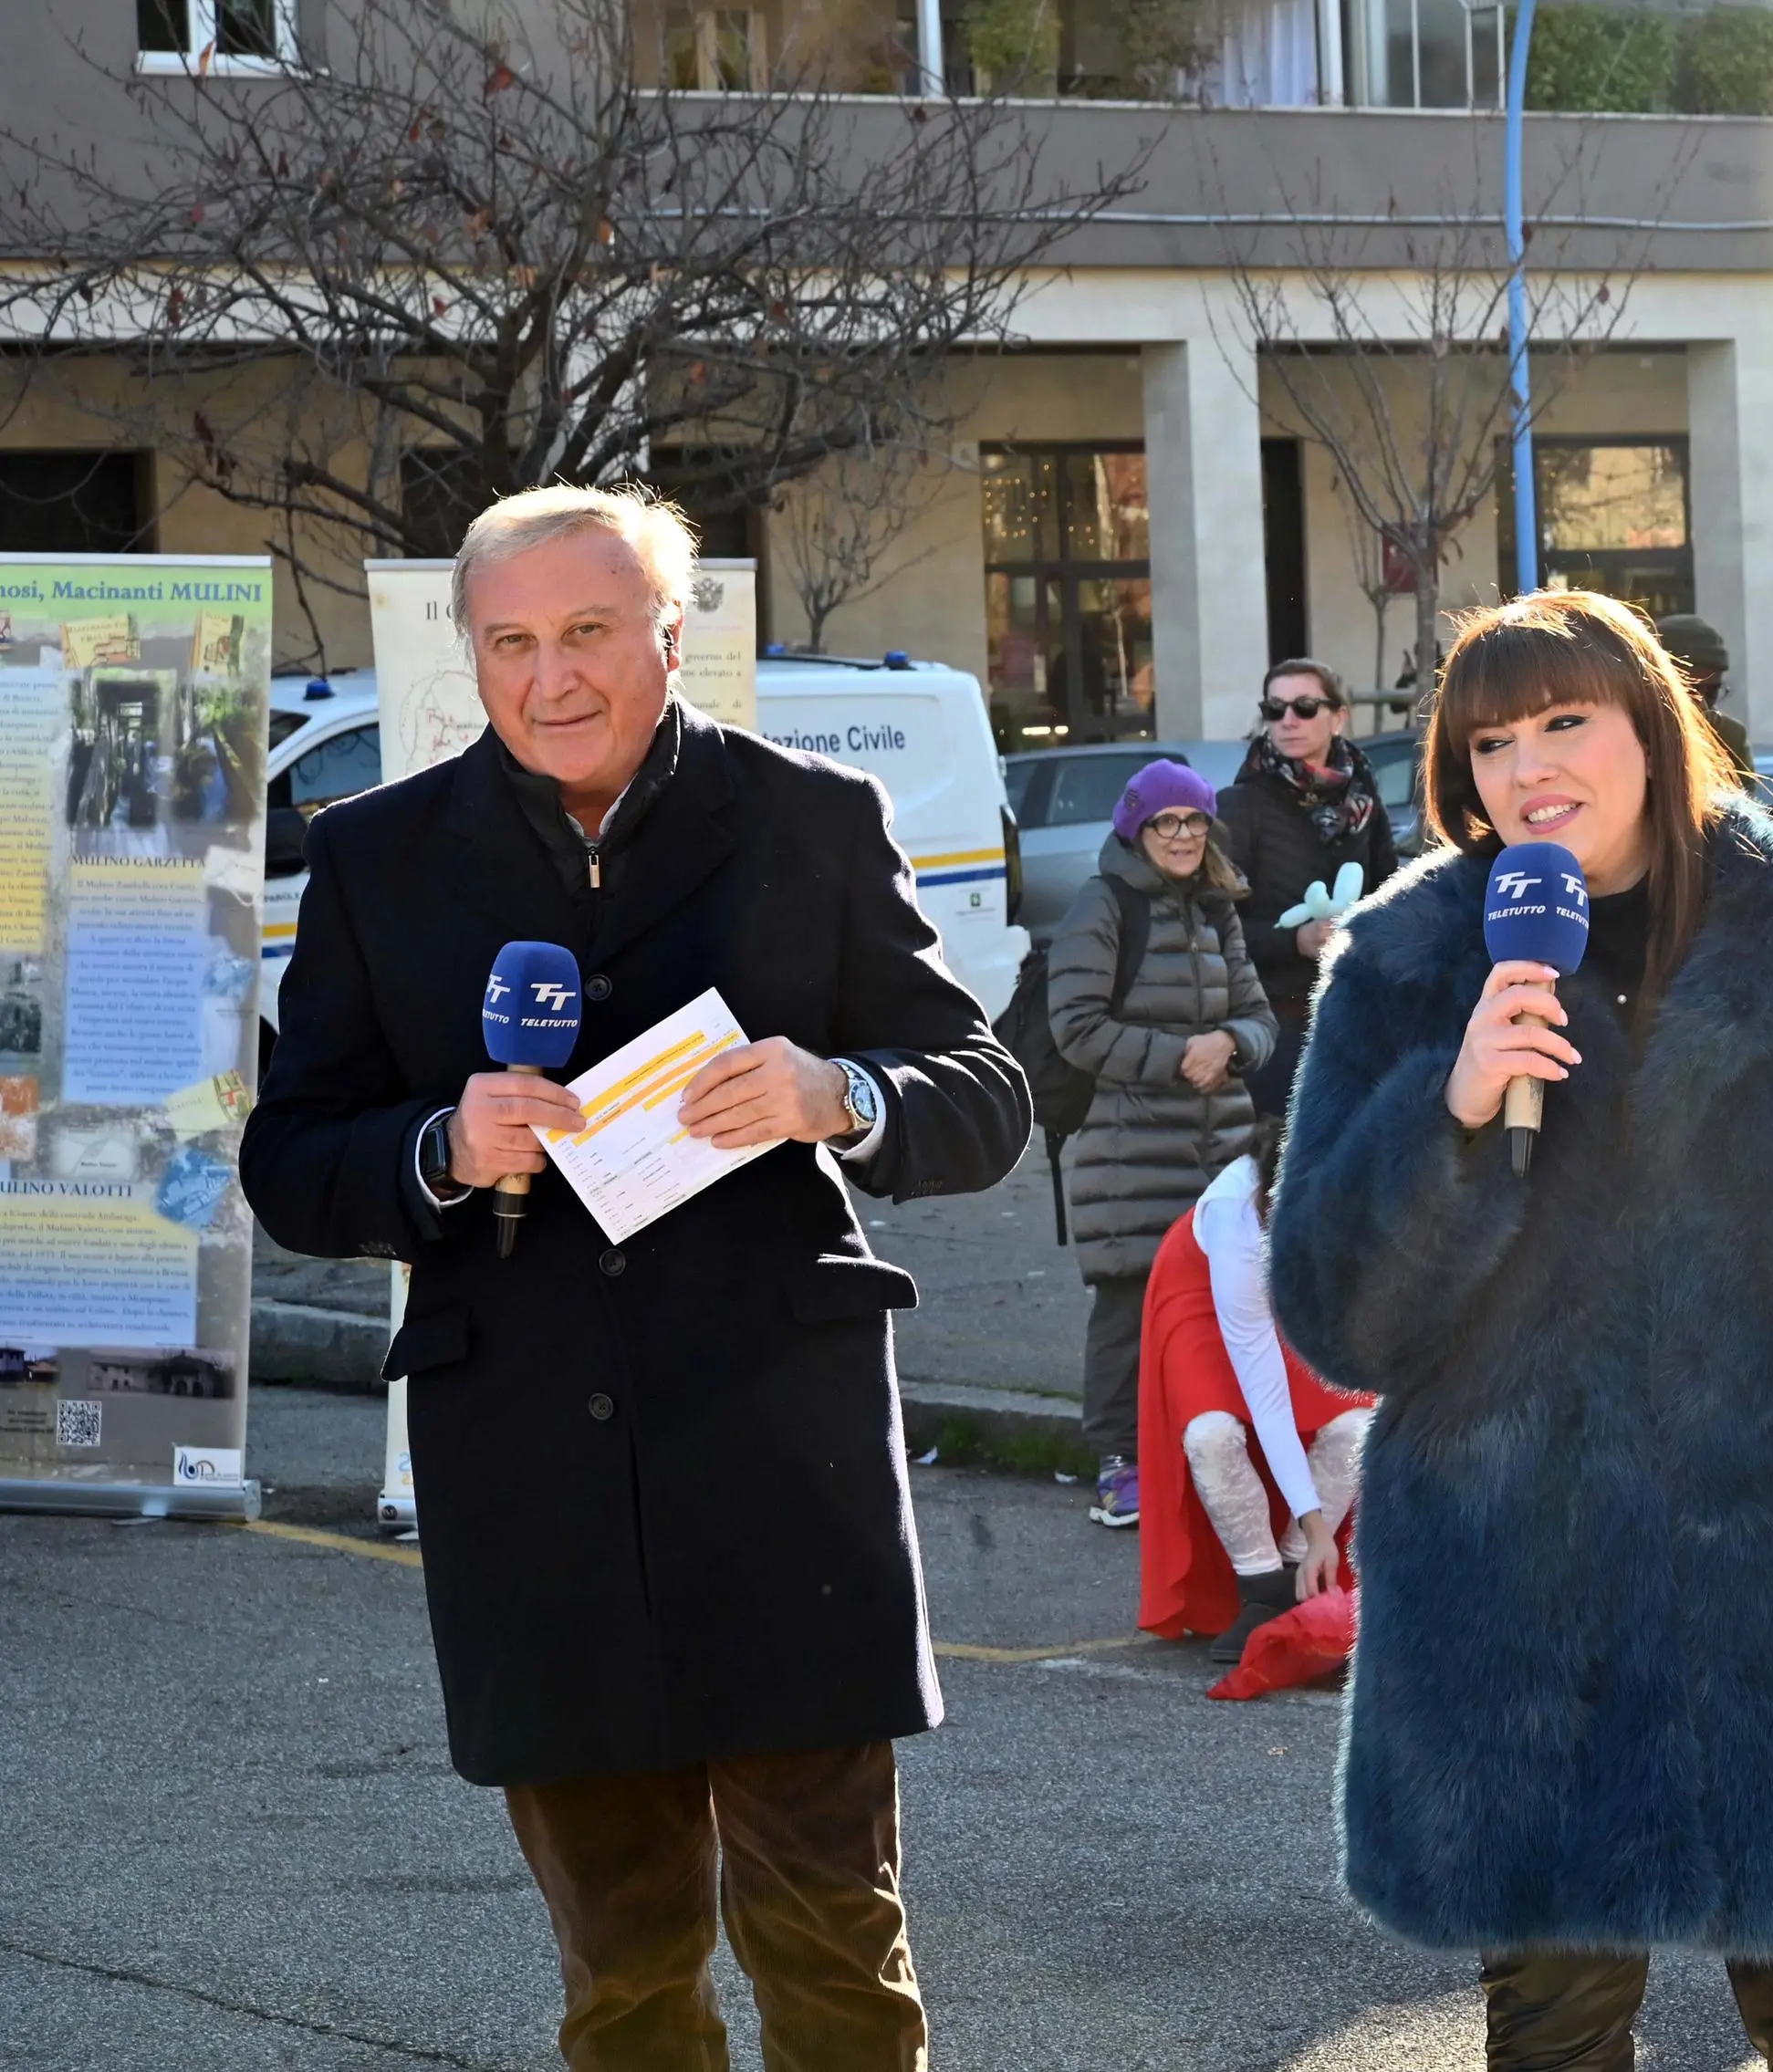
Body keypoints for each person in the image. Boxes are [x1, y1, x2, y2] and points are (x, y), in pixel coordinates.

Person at [241, 484, 1030, 2071]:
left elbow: (985, 1089)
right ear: (471, 655)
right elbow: (291, 1159)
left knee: (834, 1949)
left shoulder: (807, 819)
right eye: (512, 642)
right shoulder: (377, 859)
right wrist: (441, 1143)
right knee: (621, 1975)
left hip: (778, 1466)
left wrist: (840, 1095)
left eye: (590, 632)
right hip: (530, 1478)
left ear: (670, 635)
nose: (553, 679)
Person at [1271, 588, 1773, 2070]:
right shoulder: (1407, 966)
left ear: (1650, 729)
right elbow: (1336, 1313)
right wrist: (1447, 1111)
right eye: (1490, 738)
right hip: (1518, 1609)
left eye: (1565, 720)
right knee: (1551, 2030)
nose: (1527, 765)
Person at [1050, 759, 1276, 1530]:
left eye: (1194, 821)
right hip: (1129, 1148)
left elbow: (1261, 1017)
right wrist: (1181, 1056)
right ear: (1136, 829)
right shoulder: (1103, 904)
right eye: (1165, 823)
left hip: (1220, 1149)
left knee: (1220, 1304)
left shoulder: (1218, 907)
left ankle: (1201, 1453)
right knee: (1129, 1303)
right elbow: (1075, 1027)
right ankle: (1119, 1465)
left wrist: (1230, 1043)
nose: (1181, 836)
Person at [1136, 1114, 1374, 1661]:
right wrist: (1319, 1530)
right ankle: (1262, 1588)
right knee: (1211, 1433)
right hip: (1203, 1284)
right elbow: (1267, 1398)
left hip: (1292, 1281)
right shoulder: (1235, 1218)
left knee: (1357, 1425)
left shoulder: (1351, 1194)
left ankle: (1294, 1581)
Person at [1218, 658, 1400, 1117]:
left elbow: (1390, 892)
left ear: (1339, 717)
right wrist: (1294, 940)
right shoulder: (1241, 805)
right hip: (1275, 1020)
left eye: (1304, 706)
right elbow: (1214, 925)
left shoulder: (1362, 800)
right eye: (1275, 709)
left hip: (1354, 1012)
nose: (1288, 721)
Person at [1653, 609, 1756, 773]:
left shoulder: (1729, 738)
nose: (1702, 704)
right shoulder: (1621, 734)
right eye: (1691, 691)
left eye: (1711, 693)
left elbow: (1743, 795)